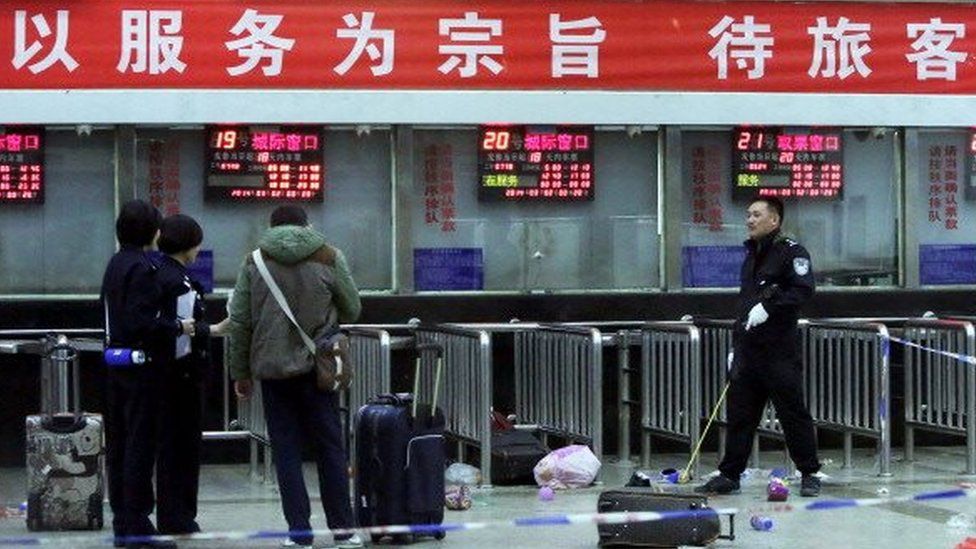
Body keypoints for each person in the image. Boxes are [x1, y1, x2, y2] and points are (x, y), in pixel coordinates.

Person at [227, 205, 363, 548]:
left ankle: (299, 533)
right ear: (307, 226)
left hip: (273, 371)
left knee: (285, 451)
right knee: (331, 447)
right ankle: (344, 531)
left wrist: (240, 372)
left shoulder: (254, 262)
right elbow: (352, 308)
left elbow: (241, 321)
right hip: (319, 367)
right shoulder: (329, 255)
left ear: (272, 228)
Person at [695, 196, 822, 497]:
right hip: (749, 351)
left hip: (779, 352)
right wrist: (735, 346)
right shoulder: (751, 256)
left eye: (756, 215)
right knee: (740, 415)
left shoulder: (791, 253)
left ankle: (809, 473)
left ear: (774, 220)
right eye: (748, 214)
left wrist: (771, 307)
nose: (749, 220)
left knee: (792, 413)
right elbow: (745, 304)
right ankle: (730, 474)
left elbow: (803, 291)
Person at [101, 200, 191, 548]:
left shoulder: (115, 264)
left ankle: (124, 521)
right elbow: (144, 322)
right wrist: (178, 325)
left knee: (121, 445)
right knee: (140, 446)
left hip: (116, 366)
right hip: (142, 371)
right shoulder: (142, 268)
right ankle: (138, 523)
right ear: (152, 232)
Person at [154, 214, 228, 535]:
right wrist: (213, 329)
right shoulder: (179, 282)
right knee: (181, 450)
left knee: (169, 449)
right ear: (189, 246)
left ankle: (174, 512)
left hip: (163, 378)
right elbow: (182, 334)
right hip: (181, 379)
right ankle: (179, 515)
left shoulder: (156, 273)